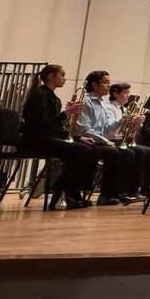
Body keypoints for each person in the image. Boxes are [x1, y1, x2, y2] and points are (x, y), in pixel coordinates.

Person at [20, 64, 95, 209]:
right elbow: (42, 124)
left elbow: (56, 127)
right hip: (35, 139)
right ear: (50, 77)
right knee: (81, 151)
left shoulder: (53, 98)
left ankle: (72, 193)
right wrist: (66, 113)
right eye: (62, 75)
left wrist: (79, 137)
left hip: (47, 138)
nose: (65, 79)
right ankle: (62, 192)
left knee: (88, 149)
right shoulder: (38, 95)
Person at [73, 70, 135, 205]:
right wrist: (107, 141)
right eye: (105, 82)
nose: (109, 85)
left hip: (98, 140)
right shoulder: (86, 101)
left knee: (126, 153)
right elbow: (85, 129)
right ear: (94, 85)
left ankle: (114, 193)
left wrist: (122, 121)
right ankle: (103, 194)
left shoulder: (100, 103)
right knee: (113, 152)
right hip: (85, 139)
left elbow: (105, 128)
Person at [105, 82, 150, 197]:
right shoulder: (109, 107)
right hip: (113, 140)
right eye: (125, 92)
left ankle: (141, 188)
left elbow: (130, 133)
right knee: (137, 152)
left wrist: (137, 124)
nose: (128, 95)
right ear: (115, 94)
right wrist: (126, 119)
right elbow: (109, 129)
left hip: (124, 141)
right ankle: (125, 189)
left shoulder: (123, 109)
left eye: (128, 92)